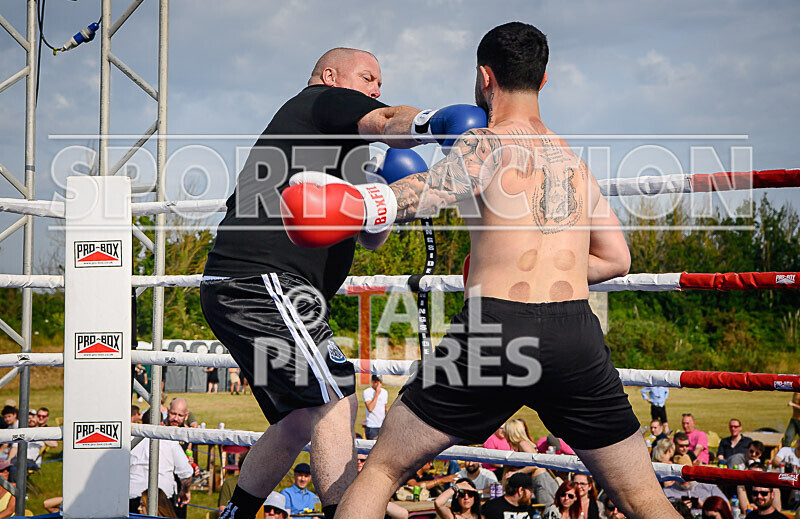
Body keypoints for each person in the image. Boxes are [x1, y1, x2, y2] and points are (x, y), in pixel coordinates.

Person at [288, 22, 680, 519]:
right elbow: (617, 259)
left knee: (382, 472)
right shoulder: (573, 161)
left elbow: (424, 193)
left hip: (495, 329)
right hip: (574, 334)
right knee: (642, 497)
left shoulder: (486, 143)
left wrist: (353, 204)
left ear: (484, 77)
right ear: (544, 80)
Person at [201, 45, 474, 519]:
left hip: (253, 285)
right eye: (368, 77)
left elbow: (368, 239)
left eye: (379, 82)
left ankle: (236, 513)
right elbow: (389, 120)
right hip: (262, 281)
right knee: (336, 394)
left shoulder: (337, 147)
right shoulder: (322, 102)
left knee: (297, 418)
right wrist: (435, 124)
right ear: (331, 76)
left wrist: (382, 195)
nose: (376, 88)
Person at [129, 436, 192, 515]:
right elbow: (186, 473)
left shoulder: (128, 439)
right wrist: (185, 491)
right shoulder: (169, 440)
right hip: (159, 499)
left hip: (139, 498)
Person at [503, 419, 558, 505]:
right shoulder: (519, 445)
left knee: (546, 509)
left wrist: (515, 473)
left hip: (541, 481)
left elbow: (535, 465)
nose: (503, 433)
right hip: (538, 480)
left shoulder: (523, 444)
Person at [363, 374, 389, 440]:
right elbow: (370, 408)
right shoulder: (367, 392)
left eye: (380, 382)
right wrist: (377, 394)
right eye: (377, 382)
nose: (378, 384)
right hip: (372, 426)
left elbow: (386, 408)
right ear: (372, 381)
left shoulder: (385, 392)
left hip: (382, 426)